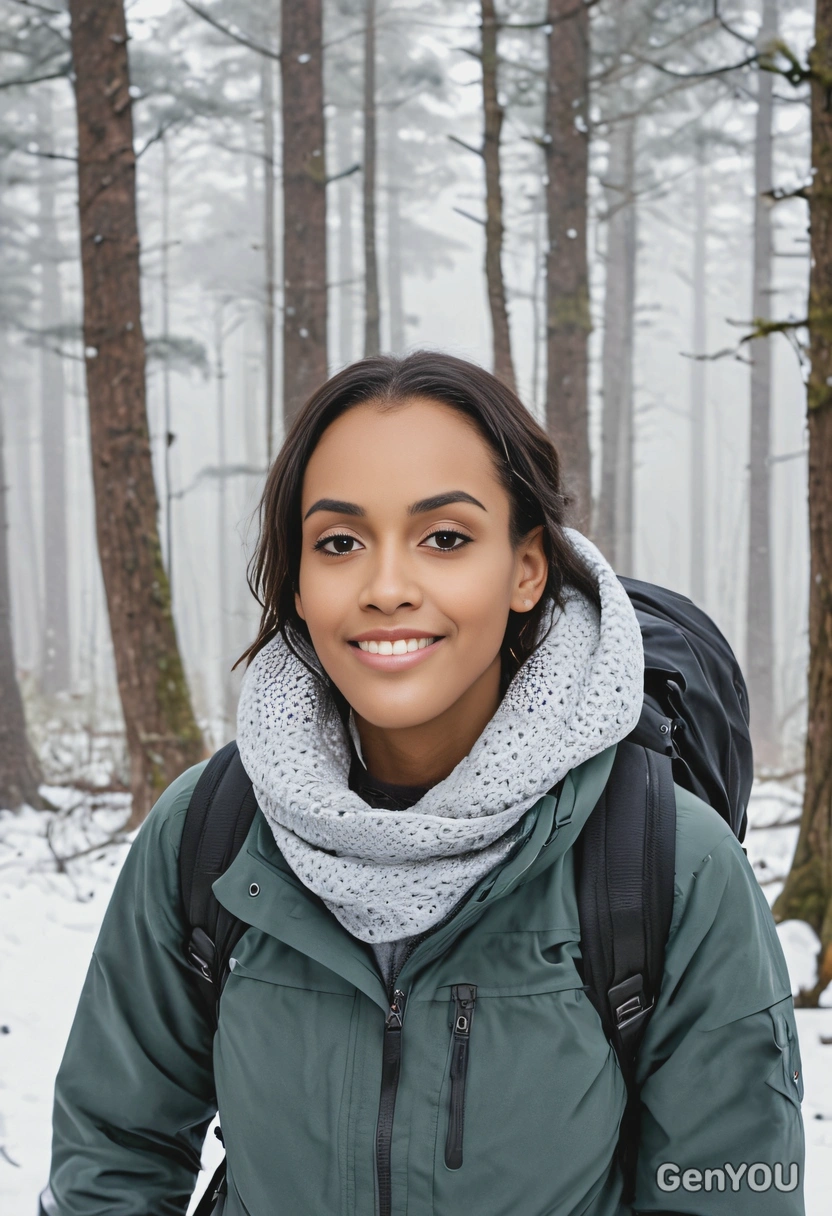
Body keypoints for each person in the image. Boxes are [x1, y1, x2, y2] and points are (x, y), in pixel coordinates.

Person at [42, 352, 805, 1216]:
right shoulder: (209, 834)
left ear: (527, 568)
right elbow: (113, 1153)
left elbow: (728, 1192)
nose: (388, 587)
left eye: (445, 538)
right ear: (297, 579)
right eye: (340, 543)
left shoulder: (665, 861)